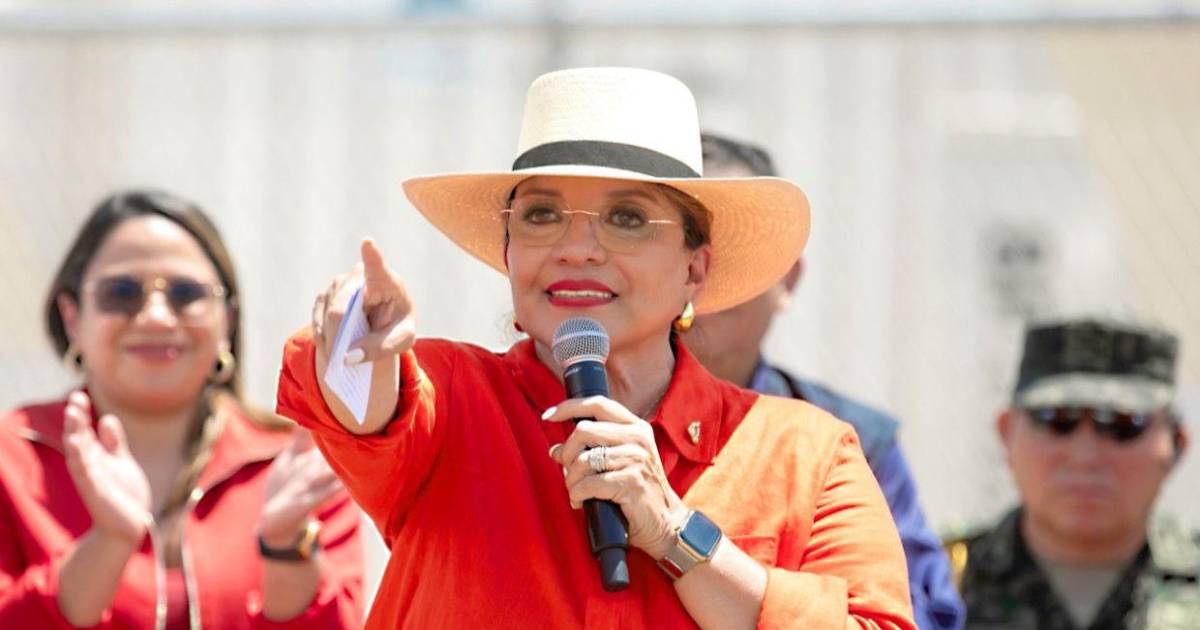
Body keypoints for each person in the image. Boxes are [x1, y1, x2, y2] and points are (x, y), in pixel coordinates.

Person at [277, 67, 916, 629]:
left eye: (627, 218)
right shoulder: (454, 399)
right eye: (541, 215)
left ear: (694, 269)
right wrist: (360, 339)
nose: (576, 248)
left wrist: (676, 534)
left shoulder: (805, 451)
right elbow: (367, 404)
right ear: (508, 250)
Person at [0, 190, 364, 628]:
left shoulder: (298, 465)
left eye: (186, 293)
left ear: (227, 320)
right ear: (72, 317)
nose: (156, 317)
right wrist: (107, 544)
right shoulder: (11, 460)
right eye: (122, 292)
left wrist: (287, 546)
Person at [685, 132, 966, 630]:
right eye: (688, 241)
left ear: (788, 279)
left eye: (736, 244)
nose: (708, 271)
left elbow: (917, 613)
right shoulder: (588, 417)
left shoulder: (853, 441)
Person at [947, 317, 1198, 629]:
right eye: (1056, 420)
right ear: (1006, 432)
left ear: (1176, 444)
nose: (1085, 457)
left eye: (1122, 424)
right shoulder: (927, 581)